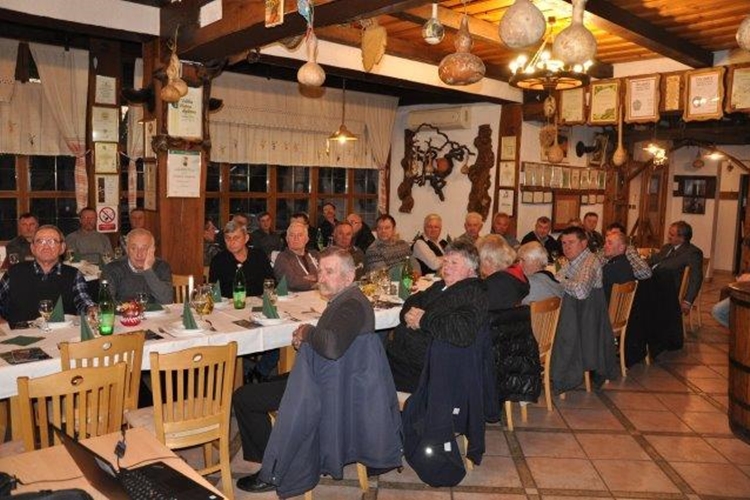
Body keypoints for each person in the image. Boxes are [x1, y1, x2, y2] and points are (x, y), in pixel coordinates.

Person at [234, 248, 379, 492]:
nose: (321, 277)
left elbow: (332, 347)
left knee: (244, 397)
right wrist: (310, 339)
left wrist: (307, 332)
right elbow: (333, 341)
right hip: (333, 379)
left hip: (326, 389)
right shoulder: (347, 299)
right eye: (320, 270)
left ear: (349, 276)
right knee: (269, 382)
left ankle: (275, 468)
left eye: (329, 271)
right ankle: (275, 456)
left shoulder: (351, 305)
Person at [386, 240, 488, 392]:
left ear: (471, 268)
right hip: (411, 359)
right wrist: (408, 314)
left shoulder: (472, 292)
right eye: (445, 261)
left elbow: (463, 331)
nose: (446, 267)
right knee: (373, 354)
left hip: (432, 368)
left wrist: (423, 319)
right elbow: (414, 299)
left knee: (372, 361)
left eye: (454, 263)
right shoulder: (441, 286)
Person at [477, 234, 541, 410]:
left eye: (480, 260)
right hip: (513, 348)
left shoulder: (495, 285)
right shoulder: (516, 278)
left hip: (496, 351)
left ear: (489, 260)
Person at [552, 226, 619, 392]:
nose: (566, 247)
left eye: (571, 243)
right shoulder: (574, 260)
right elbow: (560, 277)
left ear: (583, 243)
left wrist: (560, 280)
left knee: (555, 327)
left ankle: (559, 370)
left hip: (587, 321)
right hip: (583, 315)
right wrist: (560, 279)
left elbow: (580, 292)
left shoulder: (589, 262)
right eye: (564, 243)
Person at [0, 225, 95, 325]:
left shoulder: (73, 274)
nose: (46, 246)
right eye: (40, 241)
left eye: (52, 241)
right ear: (32, 248)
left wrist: (92, 310)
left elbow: (84, 302)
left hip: (62, 335)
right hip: (19, 334)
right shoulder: (14, 272)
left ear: (62, 248)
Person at [101, 228, 173, 304]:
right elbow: (107, 303)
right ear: (127, 249)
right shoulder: (112, 269)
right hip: (124, 315)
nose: (139, 254)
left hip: (156, 315)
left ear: (153, 250)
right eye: (134, 248)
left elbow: (167, 300)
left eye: (144, 248)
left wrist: (148, 271)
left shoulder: (162, 267)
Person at [648, 220, 704, 315]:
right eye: (669, 233)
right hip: (652, 281)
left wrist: (687, 301)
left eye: (671, 234)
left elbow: (696, 277)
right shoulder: (667, 247)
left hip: (668, 289)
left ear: (682, 238)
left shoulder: (692, 253)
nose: (668, 236)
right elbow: (652, 261)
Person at [210, 221, 274, 298]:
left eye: (236, 238)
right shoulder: (218, 261)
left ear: (246, 238)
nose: (232, 242)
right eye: (228, 238)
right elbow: (214, 291)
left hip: (259, 304)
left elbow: (271, 282)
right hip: (230, 306)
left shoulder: (259, 256)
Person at [273, 221, 319, 291]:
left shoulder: (315, 254)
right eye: (292, 235)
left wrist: (315, 278)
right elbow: (292, 282)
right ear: (287, 239)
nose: (296, 238)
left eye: (300, 235)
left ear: (307, 239)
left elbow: (328, 275)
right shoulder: (282, 258)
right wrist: (318, 283)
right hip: (294, 298)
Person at [601, 231, 635, 303]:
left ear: (621, 248)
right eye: (605, 243)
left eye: (610, 243)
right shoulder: (626, 265)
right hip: (619, 312)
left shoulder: (610, 269)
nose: (605, 246)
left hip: (606, 312)